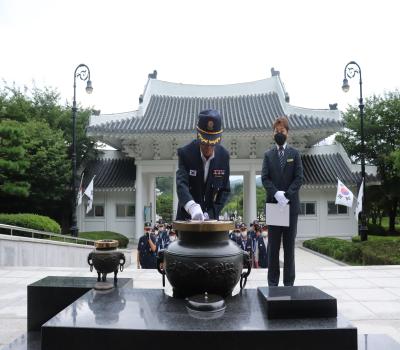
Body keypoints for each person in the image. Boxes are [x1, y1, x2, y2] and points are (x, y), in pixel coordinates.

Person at [261, 116, 303, 286]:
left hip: (290, 206)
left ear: (287, 133)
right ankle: (272, 283)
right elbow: (264, 178)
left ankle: (289, 283)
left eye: (282, 131)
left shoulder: (295, 154)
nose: (279, 133)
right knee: (273, 248)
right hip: (274, 206)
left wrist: (286, 195)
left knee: (289, 247)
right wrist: (275, 193)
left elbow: (299, 178)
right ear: (273, 133)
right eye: (277, 131)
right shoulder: (268, 155)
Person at [176, 109, 230, 221]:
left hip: (211, 218)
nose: (208, 147)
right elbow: (181, 185)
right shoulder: (186, 153)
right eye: (205, 142)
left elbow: (225, 190)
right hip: (187, 216)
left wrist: (210, 214)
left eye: (212, 143)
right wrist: (191, 207)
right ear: (198, 135)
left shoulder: (223, 156)